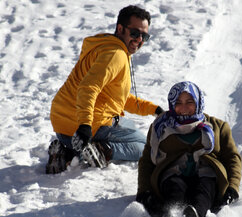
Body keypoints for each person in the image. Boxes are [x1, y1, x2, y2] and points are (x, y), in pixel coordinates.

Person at [46, 5, 164, 174]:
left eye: (144, 36)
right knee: (144, 147)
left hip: (62, 125)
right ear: (120, 28)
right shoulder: (116, 55)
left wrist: (154, 109)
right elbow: (89, 87)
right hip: (86, 128)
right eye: (135, 33)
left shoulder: (100, 45)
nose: (139, 40)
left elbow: (117, 96)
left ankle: (66, 153)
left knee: (126, 124)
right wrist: (85, 125)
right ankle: (102, 150)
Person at [136, 81, 242, 217]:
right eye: (178, 102)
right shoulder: (161, 128)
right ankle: (171, 216)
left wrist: (233, 188)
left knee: (204, 190)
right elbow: (147, 161)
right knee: (174, 188)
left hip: (207, 175)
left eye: (189, 102)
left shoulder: (218, 127)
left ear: (198, 102)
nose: (183, 108)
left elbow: (232, 158)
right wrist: (144, 191)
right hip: (173, 175)